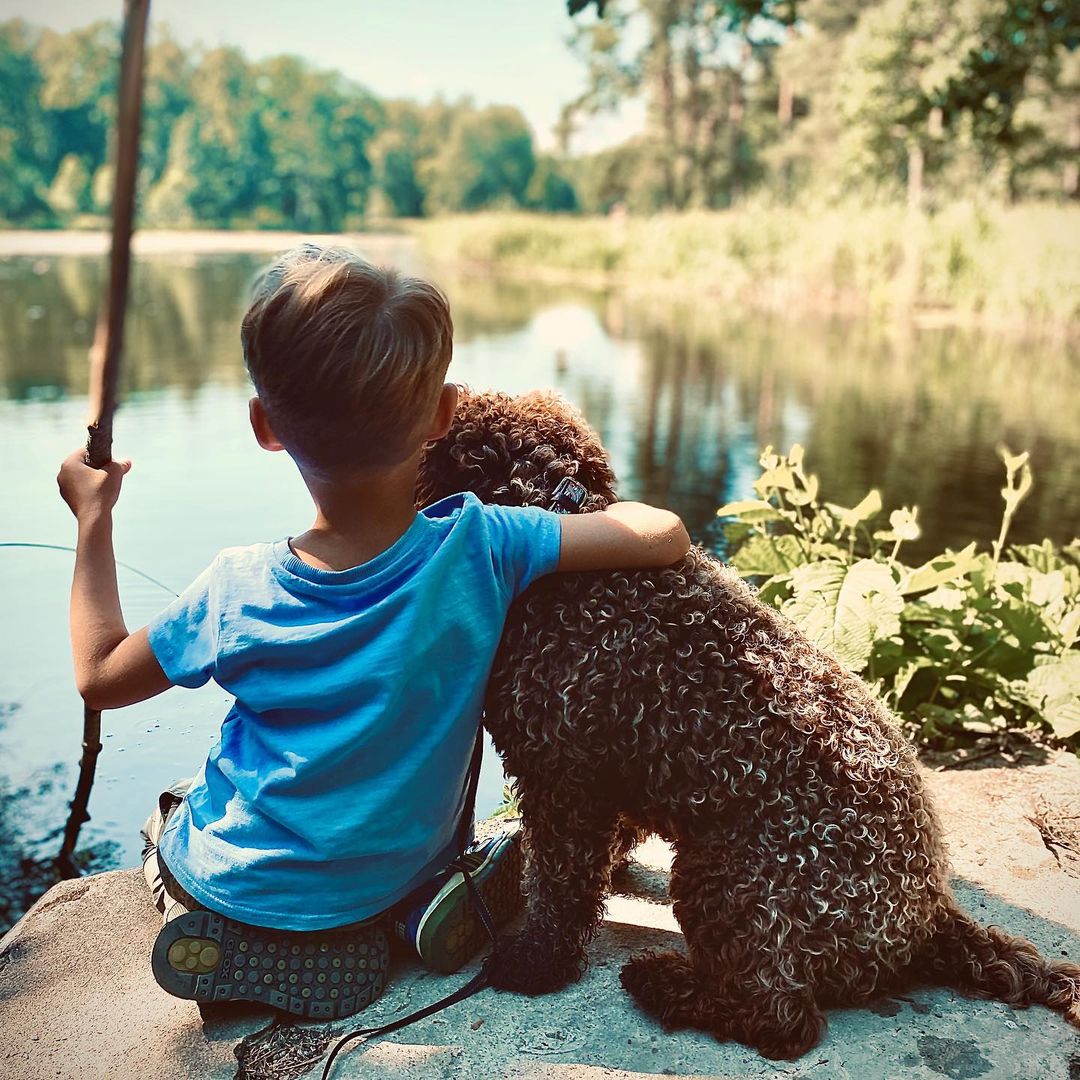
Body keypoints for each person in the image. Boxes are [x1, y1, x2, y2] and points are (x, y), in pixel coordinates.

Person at [56, 245, 691, 1019]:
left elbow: (99, 674)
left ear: (264, 426)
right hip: (397, 875)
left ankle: (238, 928)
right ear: (443, 414)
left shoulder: (234, 588)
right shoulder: (487, 544)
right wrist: (608, 507)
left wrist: (93, 520)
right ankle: (417, 914)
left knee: (171, 815)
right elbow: (662, 533)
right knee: (422, 842)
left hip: (241, 881)